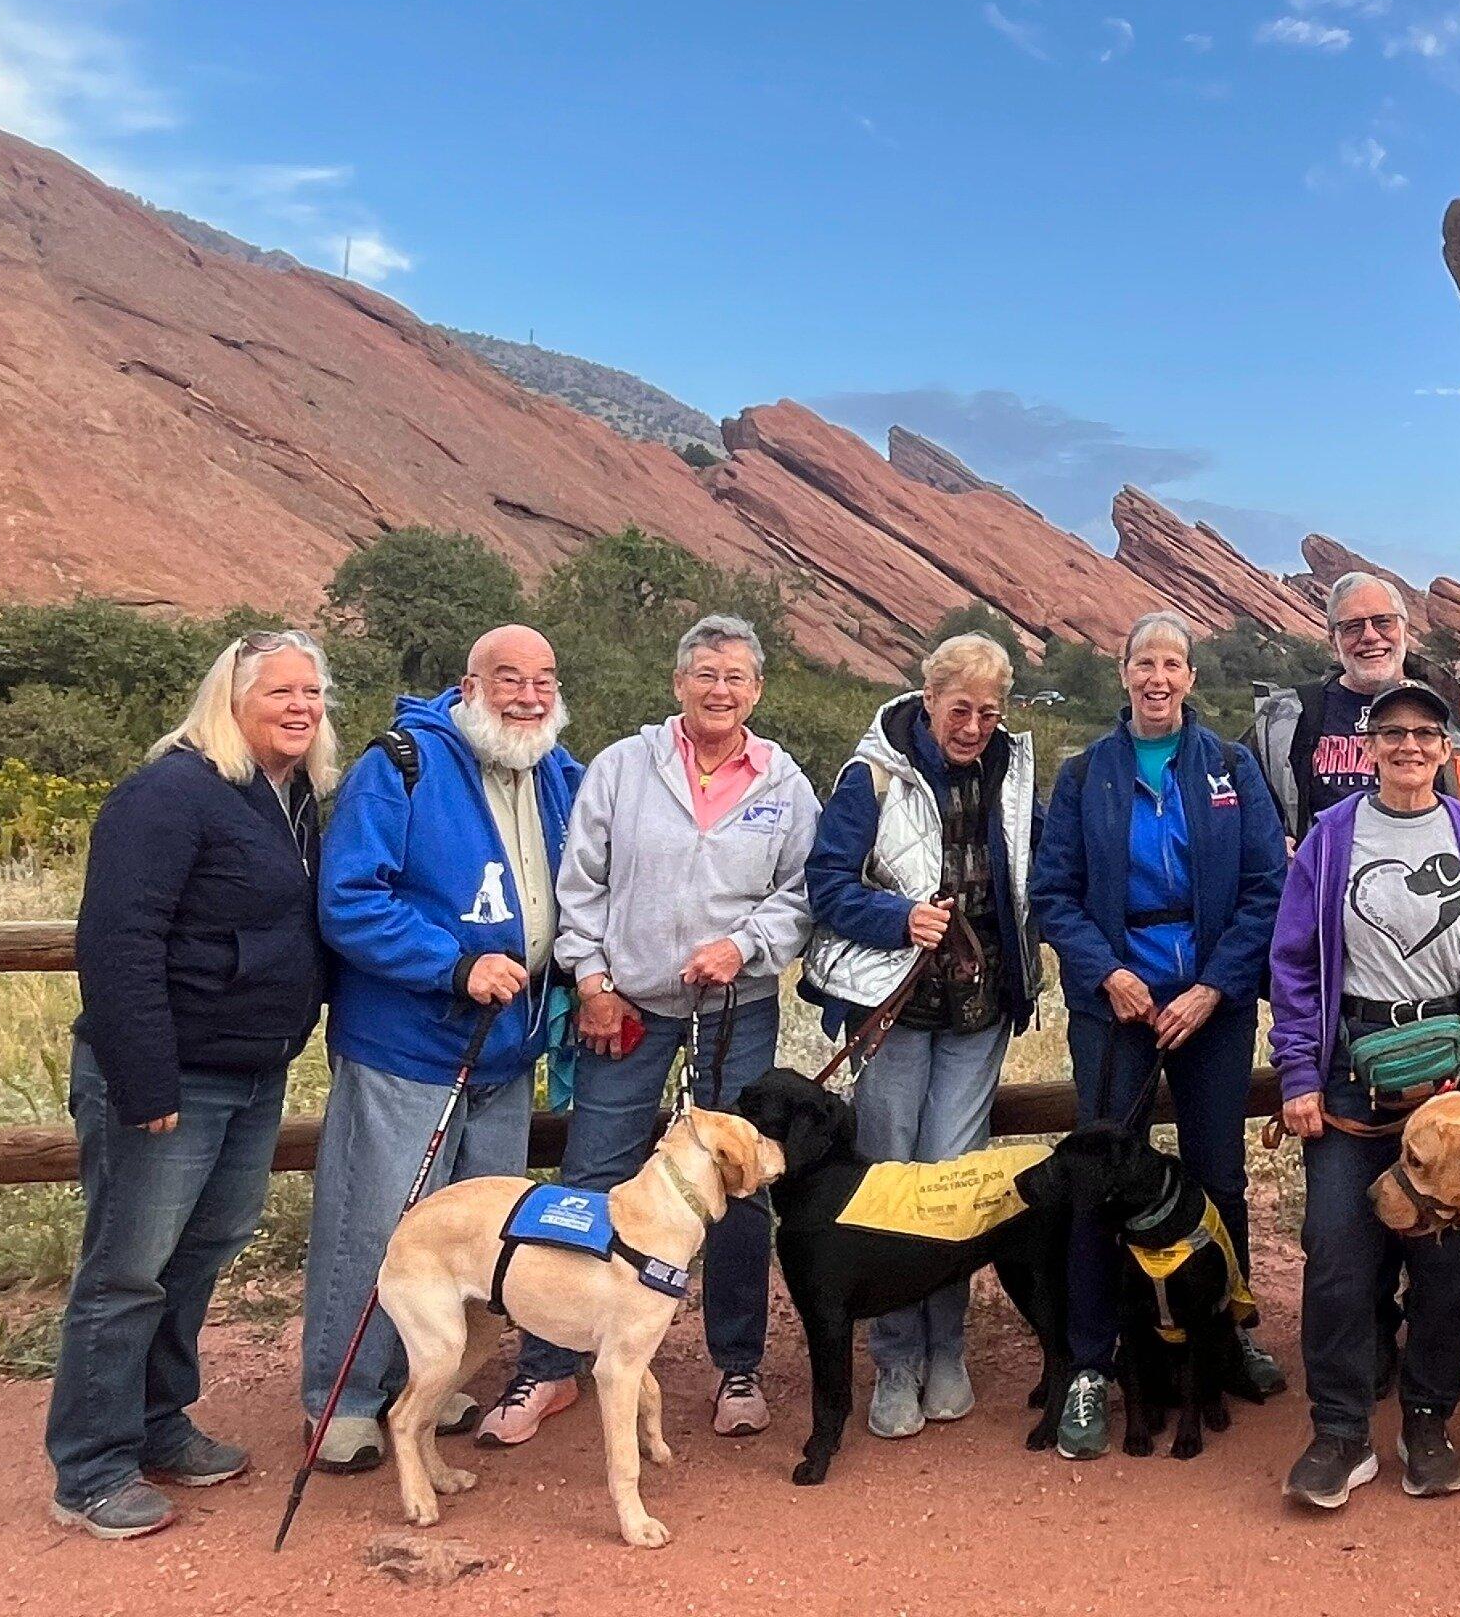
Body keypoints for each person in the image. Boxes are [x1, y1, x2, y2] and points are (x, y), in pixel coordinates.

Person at [479, 613, 822, 1447]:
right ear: (678, 684)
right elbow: (580, 887)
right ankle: (550, 1367)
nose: (720, 690)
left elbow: (801, 895)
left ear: (758, 691)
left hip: (735, 1012)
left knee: (738, 1188)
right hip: (624, 1010)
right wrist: (592, 984)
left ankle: (735, 1366)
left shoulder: (784, 784)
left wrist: (742, 945)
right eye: (705, 674)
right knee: (591, 1178)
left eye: (736, 678)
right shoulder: (623, 769)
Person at [45, 631, 336, 1538]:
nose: (300, 707)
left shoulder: (289, 799)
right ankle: (91, 1467)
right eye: (281, 691)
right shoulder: (168, 792)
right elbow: (119, 940)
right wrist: (144, 1078)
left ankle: (158, 1421)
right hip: (171, 1075)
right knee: (127, 1270)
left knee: (201, 1252)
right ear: (232, 697)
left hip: (251, 1068)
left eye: (313, 693)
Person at [303, 624, 580, 1473]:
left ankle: (429, 1384)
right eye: (508, 679)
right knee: (378, 1228)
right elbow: (349, 901)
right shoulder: (400, 768)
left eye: (543, 679)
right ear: (469, 685)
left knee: (477, 1237)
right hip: (409, 1048)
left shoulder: (560, 775)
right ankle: (343, 1402)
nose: (528, 696)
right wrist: (450, 965)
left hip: (507, 1054)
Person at [1270, 679, 1460, 1513]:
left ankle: (1427, 1420)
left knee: (1446, 1259)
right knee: (1340, 1252)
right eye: (1394, 734)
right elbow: (1294, 963)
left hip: (1455, 1079)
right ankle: (1342, 1430)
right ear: (1368, 745)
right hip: (1352, 1065)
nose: (1411, 747)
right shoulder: (1330, 838)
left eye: (1426, 733)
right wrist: (1299, 1073)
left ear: (1448, 747)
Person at [1031, 610, 1290, 1456]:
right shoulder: (1085, 775)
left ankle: (1229, 1330)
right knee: (1099, 1183)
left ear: (1188, 677)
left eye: (1173, 664)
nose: (1158, 678)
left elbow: (1266, 887)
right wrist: (1108, 972)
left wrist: (1215, 986)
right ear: (1124, 673)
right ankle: (1089, 1367)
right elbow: (1054, 894)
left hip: (1209, 1002)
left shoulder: (1230, 766)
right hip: (1117, 1002)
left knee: (1218, 1176)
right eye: (1145, 662)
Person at [804, 631, 1040, 1443]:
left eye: (989, 711)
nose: (973, 725)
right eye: (959, 709)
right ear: (928, 699)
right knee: (889, 1178)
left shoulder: (1012, 771)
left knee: (953, 1180)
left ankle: (949, 1350)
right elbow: (827, 883)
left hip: (978, 1013)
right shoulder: (871, 774)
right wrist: (898, 917)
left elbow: (1033, 870)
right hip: (894, 1008)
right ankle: (897, 1358)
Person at [1246, 576, 1460, 909]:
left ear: (1404, 627)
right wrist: (1268, 844)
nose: (1370, 636)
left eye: (1382, 621)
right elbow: (1236, 810)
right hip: (1322, 921)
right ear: (1333, 639)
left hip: (1434, 914)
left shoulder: (1452, 713)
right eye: (1352, 627)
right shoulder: (1288, 719)